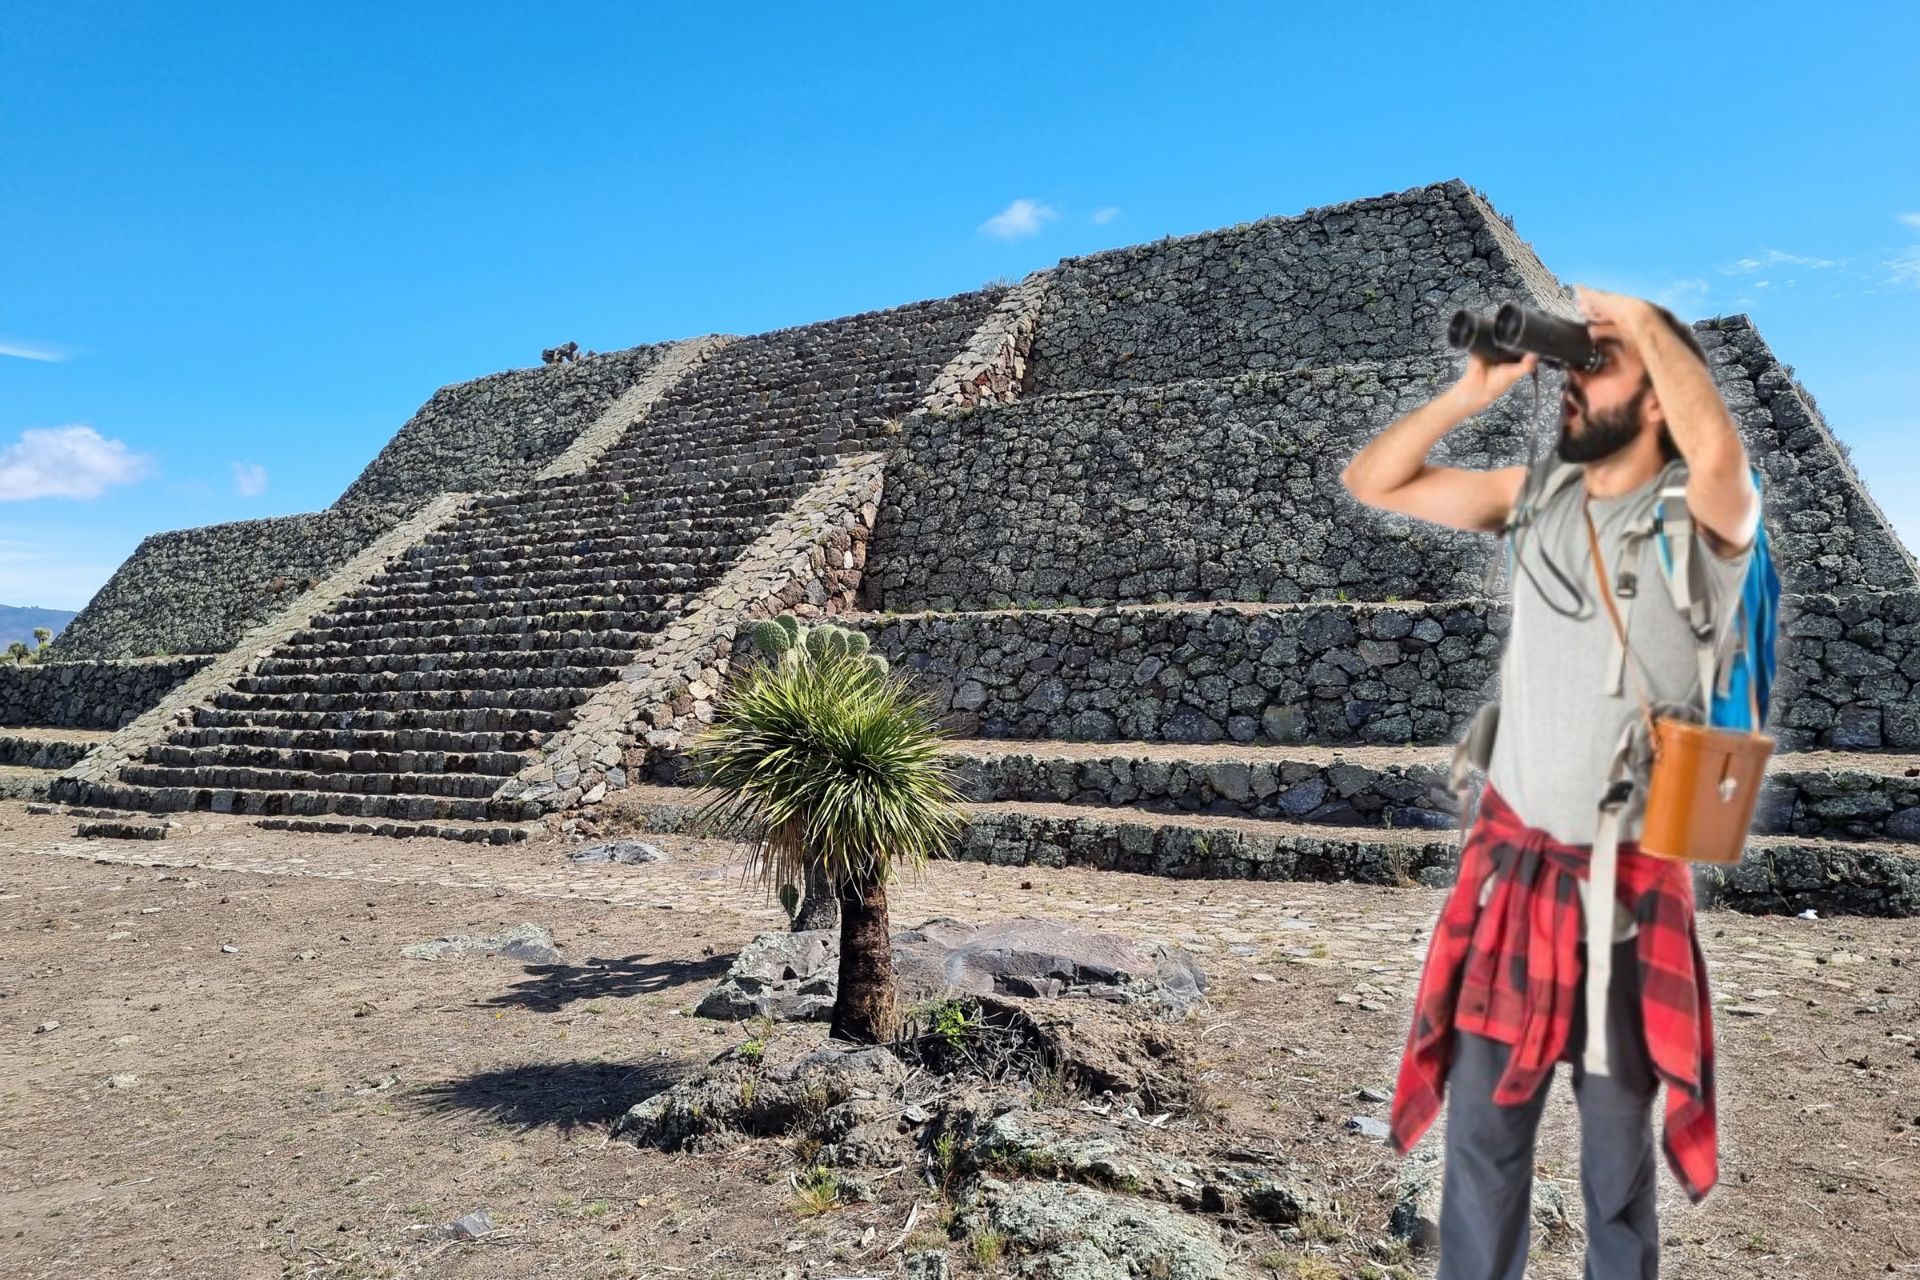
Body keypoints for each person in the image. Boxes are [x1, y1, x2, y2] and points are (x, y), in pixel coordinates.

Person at [1340, 285, 1761, 1279]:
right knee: (1481, 1153)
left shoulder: (1695, 526)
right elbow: (1375, 478)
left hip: (1624, 895)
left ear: (1658, 398)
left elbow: (1726, 465)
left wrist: (1647, 326)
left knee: (1616, 1171)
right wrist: (1471, 387)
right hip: (1515, 882)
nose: (1572, 378)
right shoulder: (1536, 496)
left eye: (1597, 365)